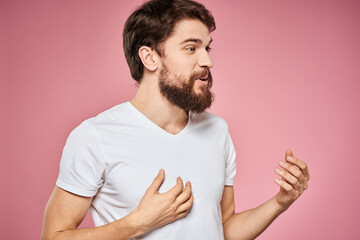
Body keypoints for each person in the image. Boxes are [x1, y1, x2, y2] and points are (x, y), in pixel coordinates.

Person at [41, 0, 310, 239]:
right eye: (191, 48)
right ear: (149, 58)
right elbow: (53, 237)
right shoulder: (95, 136)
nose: (207, 61)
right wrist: (136, 224)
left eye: (207, 48)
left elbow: (224, 228)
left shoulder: (217, 130)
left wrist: (279, 203)